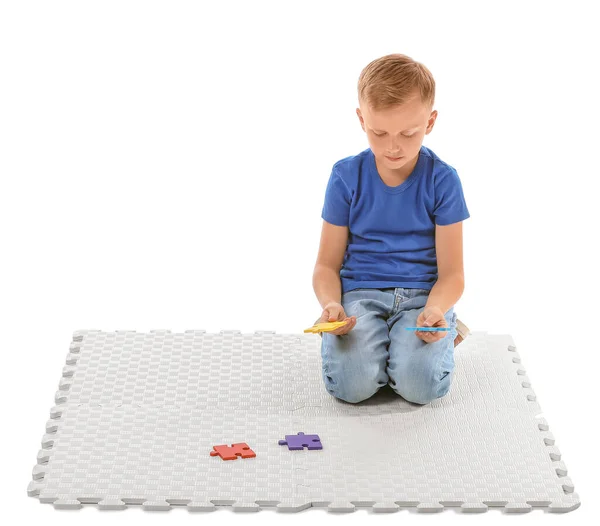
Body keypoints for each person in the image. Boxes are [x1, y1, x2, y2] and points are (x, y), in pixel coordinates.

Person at [312, 53, 470, 405]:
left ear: (429, 123)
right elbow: (326, 265)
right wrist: (332, 304)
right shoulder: (345, 177)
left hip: (422, 298)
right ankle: (377, 348)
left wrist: (436, 309)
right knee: (351, 389)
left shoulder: (442, 180)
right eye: (378, 132)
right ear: (361, 119)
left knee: (421, 388)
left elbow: (453, 274)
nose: (392, 146)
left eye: (408, 133)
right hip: (360, 295)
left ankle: (426, 339)